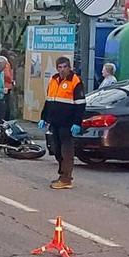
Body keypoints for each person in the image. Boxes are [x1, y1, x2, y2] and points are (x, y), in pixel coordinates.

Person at [39, 56, 85, 189]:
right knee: (56, 149)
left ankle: (66, 178)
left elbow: (80, 104)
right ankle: (62, 174)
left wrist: (77, 123)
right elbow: (49, 101)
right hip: (55, 122)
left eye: (65, 67)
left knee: (67, 151)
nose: (62, 70)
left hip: (68, 123)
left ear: (69, 67)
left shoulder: (75, 81)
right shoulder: (53, 80)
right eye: (60, 67)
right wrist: (44, 117)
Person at [2, 52, 14, 120]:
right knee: (7, 103)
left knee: (5, 103)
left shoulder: (5, 64)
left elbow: (6, 75)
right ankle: (7, 117)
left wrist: (10, 80)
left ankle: (5, 118)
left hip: (5, 85)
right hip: (8, 86)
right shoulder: (9, 63)